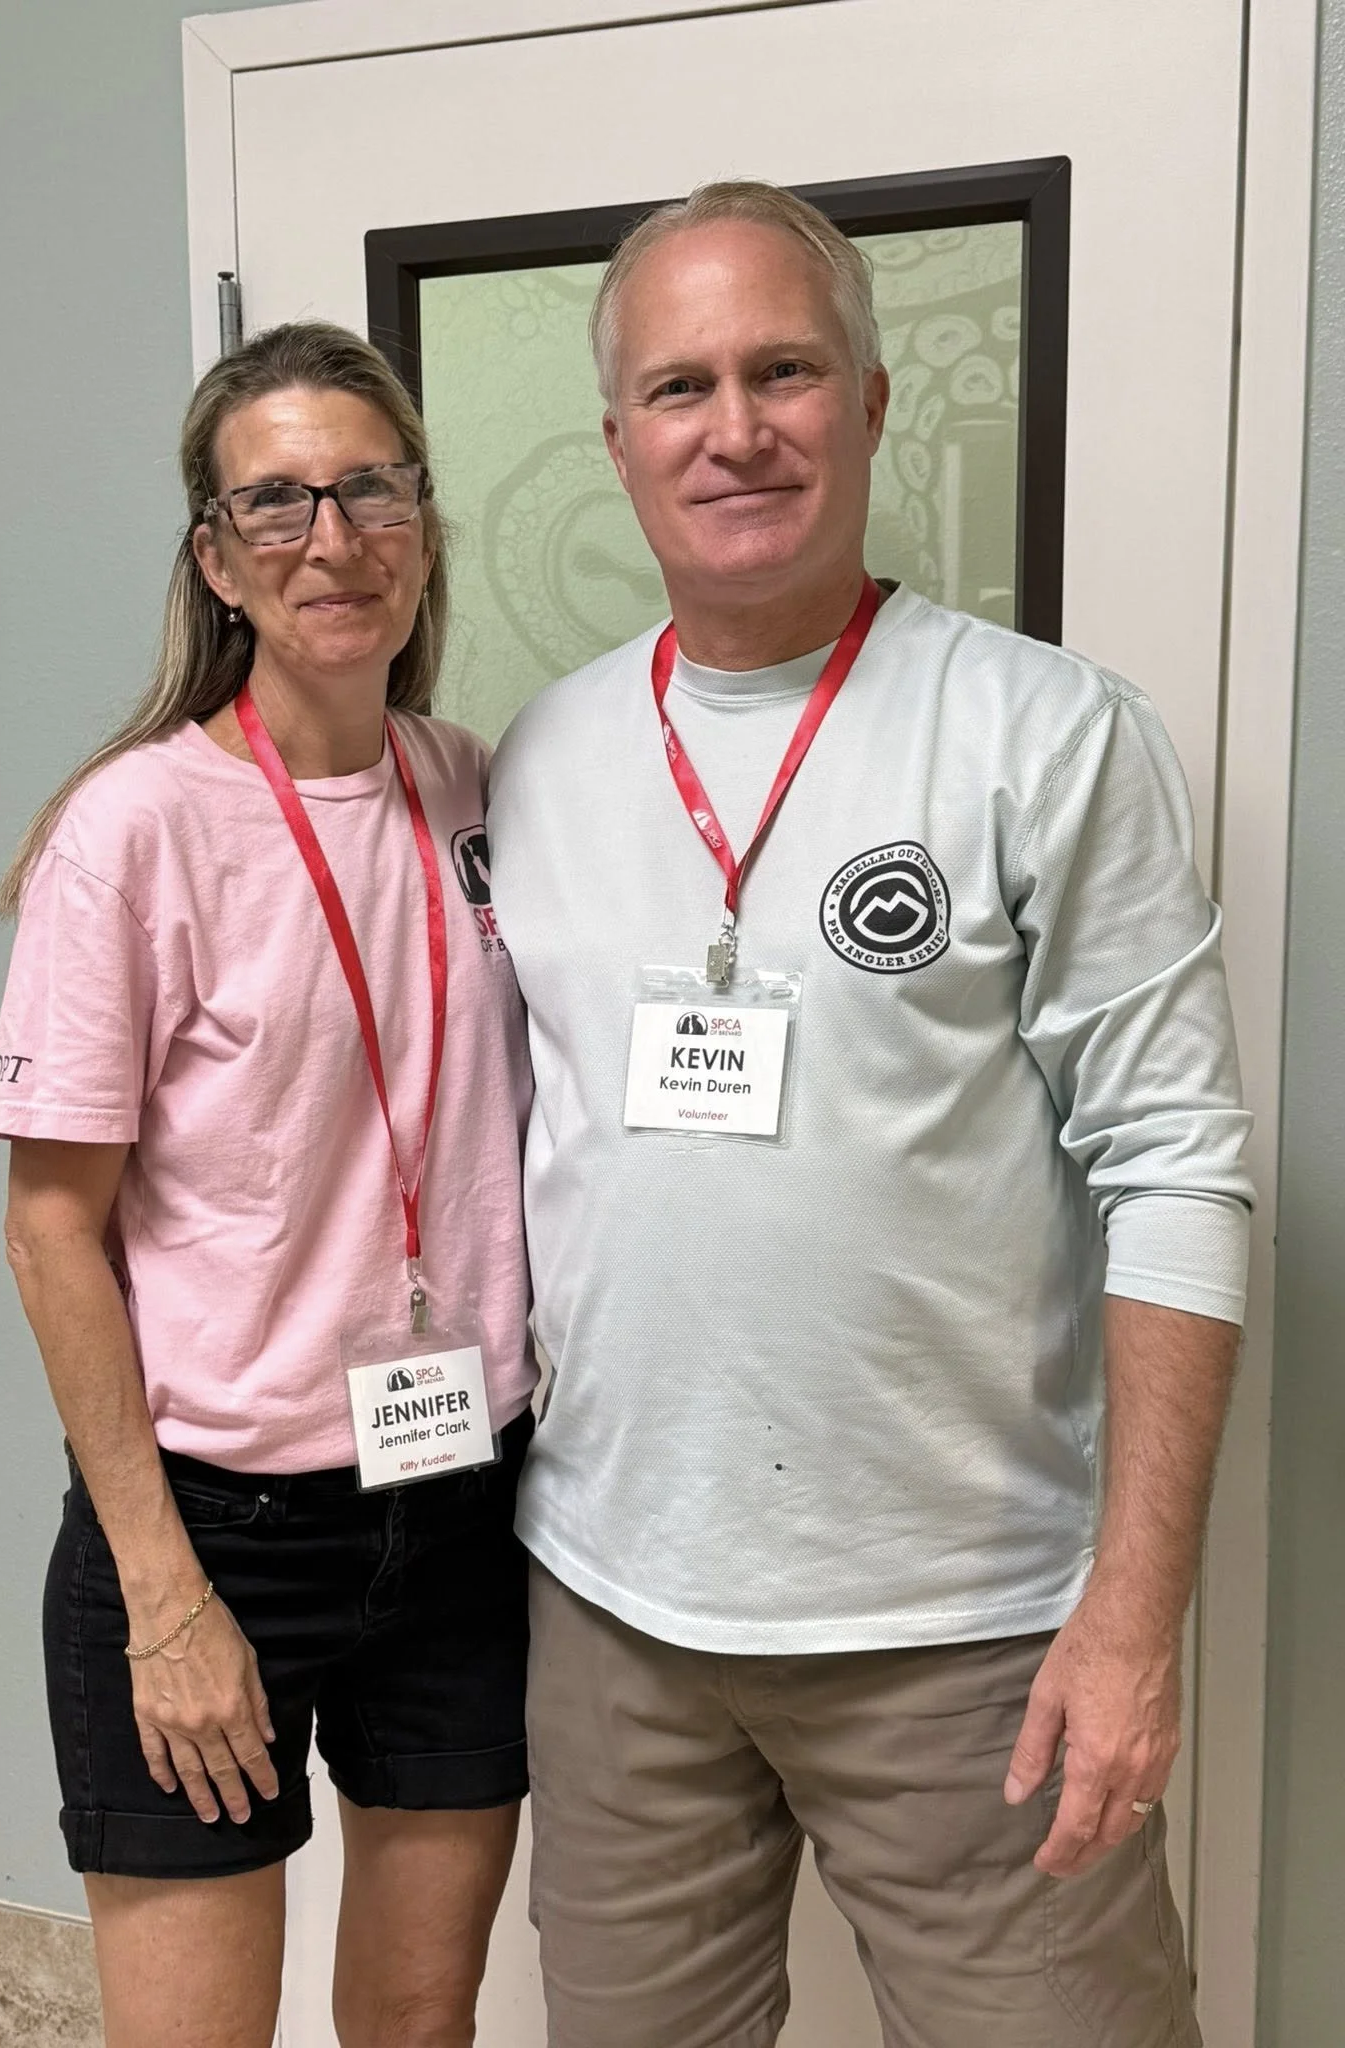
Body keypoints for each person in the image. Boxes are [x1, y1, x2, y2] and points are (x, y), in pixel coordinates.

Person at [488, 182, 1251, 2047]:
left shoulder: (1044, 734)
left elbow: (1179, 1173)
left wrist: (1132, 1620)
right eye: (679, 387)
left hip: (972, 1633)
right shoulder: (546, 752)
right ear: (616, 443)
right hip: (615, 1616)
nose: (733, 429)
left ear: (875, 401)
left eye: (783, 371)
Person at [0, 322, 535, 2048]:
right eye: (277, 501)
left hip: (459, 1507)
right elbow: (50, 1225)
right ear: (217, 559)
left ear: (423, 523)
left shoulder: (477, 784)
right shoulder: (135, 827)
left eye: (371, 486)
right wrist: (166, 1603)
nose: (333, 534)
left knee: (418, 2026)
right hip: (217, 1531)